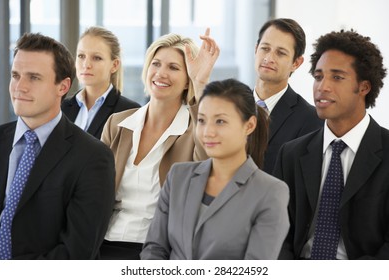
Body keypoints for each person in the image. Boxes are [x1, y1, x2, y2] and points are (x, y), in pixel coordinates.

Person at [99, 28, 219, 259]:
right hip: (106, 243)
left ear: (187, 81)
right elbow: (93, 187)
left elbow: (210, 168)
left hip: (160, 250)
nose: (161, 73)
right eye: (156, 64)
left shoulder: (196, 128)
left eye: (174, 67)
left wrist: (201, 82)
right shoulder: (117, 124)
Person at [140, 78, 290, 260]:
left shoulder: (270, 192)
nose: (208, 131)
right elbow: (154, 249)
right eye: (202, 120)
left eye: (220, 121)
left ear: (249, 125)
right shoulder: (178, 176)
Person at [273, 29, 389, 260]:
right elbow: (275, 231)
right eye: (318, 76)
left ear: (364, 87)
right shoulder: (291, 154)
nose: (322, 87)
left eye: (337, 77)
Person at [0, 33, 115, 259]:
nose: (19, 87)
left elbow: (77, 253)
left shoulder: (93, 157)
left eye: (34, 77)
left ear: (63, 87)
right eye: (16, 75)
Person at [254, 18, 323, 173]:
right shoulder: (233, 106)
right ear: (256, 49)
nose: (269, 58)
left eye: (280, 53)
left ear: (296, 63)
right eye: (265, 48)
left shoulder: (311, 120)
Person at [62, 26, 140, 139]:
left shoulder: (130, 112)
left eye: (97, 58)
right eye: (81, 56)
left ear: (114, 65)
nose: (86, 65)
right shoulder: (62, 107)